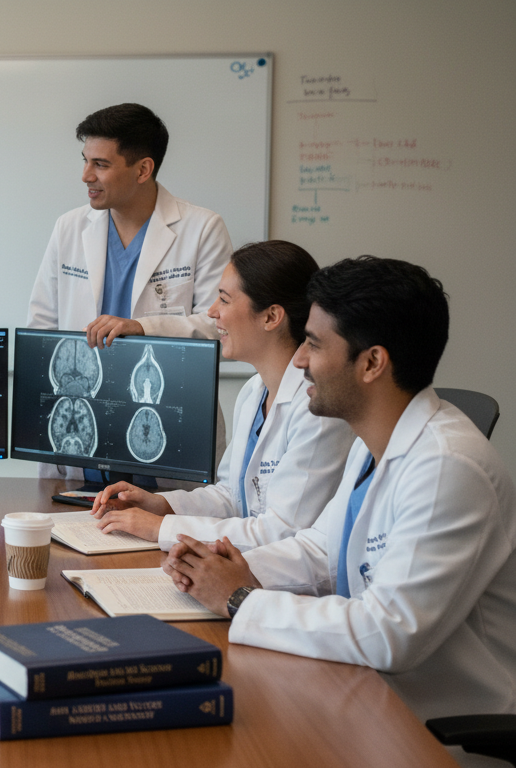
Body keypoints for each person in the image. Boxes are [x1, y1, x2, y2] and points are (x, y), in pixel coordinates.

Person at [161, 257, 516, 766]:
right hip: (362, 695)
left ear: (372, 363)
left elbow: (388, 632)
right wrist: (215, 569)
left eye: (315, 344)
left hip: (434, 733)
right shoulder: (372, 441)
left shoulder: (447, 467)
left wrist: (239, 599)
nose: (299, 360)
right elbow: (321, 550)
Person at [90, 241, 354, 549]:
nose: (212, 312)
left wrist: (162, 528)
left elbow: (282, 532)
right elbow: (230, 495)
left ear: (271, 317)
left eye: (224, 300)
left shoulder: (317, 410)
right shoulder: (254, 391)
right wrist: (160, 505)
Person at [26, 103, 233, 482]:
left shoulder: (201, 229)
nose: (86, 175)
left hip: (168, 420)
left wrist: (142, 326)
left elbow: (219, 327)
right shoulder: (70, 228)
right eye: (85, 161)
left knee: (164, 531)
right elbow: (43, 325)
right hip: (80, 424)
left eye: (101, 164)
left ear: (143, 169)